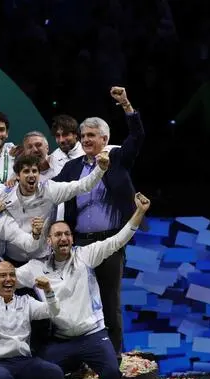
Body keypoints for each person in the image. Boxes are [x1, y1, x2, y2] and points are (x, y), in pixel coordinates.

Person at [15, 192, 152, 379]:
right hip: (61, 340)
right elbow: (5, 277)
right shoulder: (36, 268)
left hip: (93, 336)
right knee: (42, 371)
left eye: (67, 234)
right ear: (49, 241)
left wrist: (139, 213)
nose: (64, 238)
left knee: (111, 371)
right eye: (58, 235)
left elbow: (117, 240)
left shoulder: (85, 256)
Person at [52, 86, 144, 357]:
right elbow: (52, 191)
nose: (86, 140)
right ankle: (82, 357)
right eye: (83, 136)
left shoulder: (117, 159)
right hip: (78, 244)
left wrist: (126, 104)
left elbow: (138, 136)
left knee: (109, 300)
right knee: (78, 302)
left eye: (91, 135)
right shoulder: (71, 168)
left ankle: (113, 356)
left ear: (105, 138)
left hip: (110, 242)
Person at [0, 152, 108, 266]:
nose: (31, 175)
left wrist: (100, 169)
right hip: (13, 260)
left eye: (34, 171)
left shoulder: (50, 190)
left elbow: (83, 186)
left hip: (43, 259)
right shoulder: (5, 192)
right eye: (26, 171)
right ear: (17, 175)